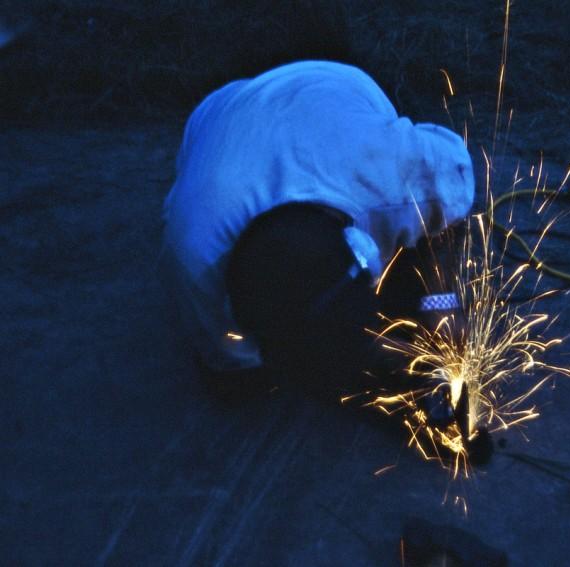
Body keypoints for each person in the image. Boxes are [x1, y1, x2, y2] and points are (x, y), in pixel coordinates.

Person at [160, 61, 474, 399]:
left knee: (404, 287)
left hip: (330, 85)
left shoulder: (395, 176)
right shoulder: (193, 260)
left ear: (360, 245)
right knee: (245, 387)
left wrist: (441, 302)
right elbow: (237, 364)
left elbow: (458, 177)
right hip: (223, 116)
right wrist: (366, 357)